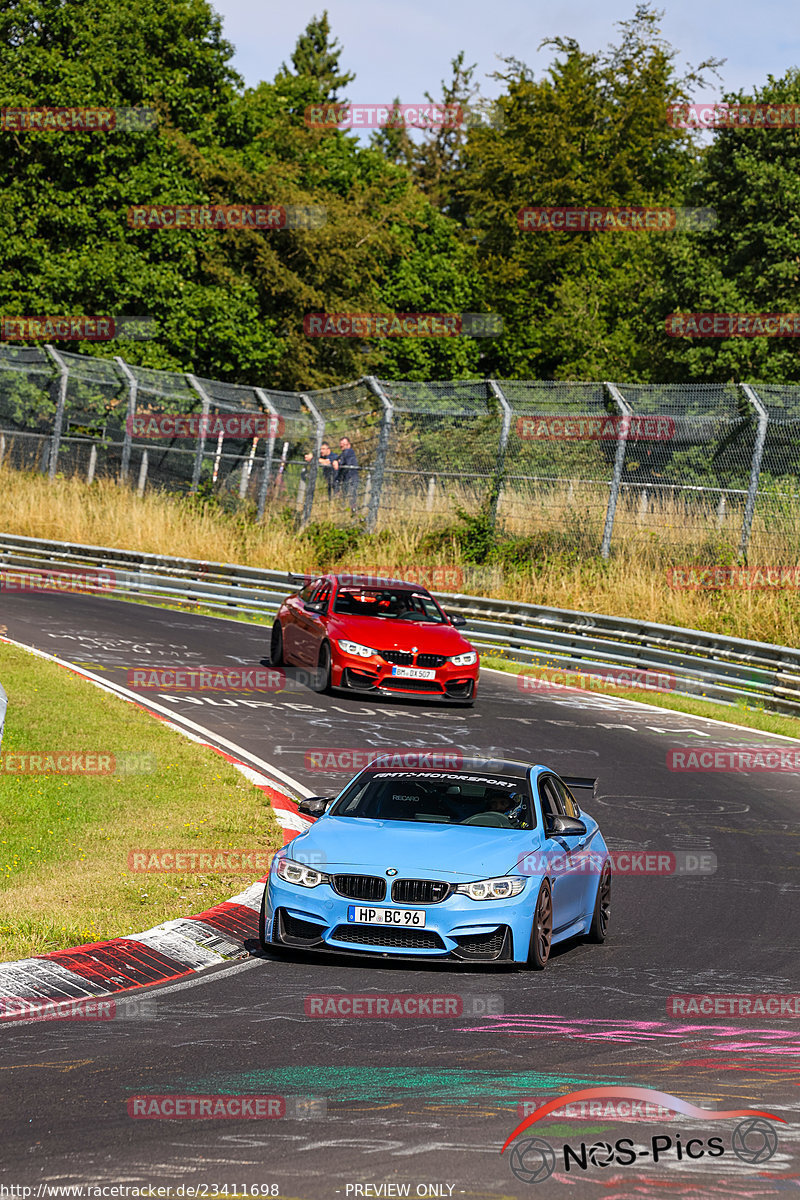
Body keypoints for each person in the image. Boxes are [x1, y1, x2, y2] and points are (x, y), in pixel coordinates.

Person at [334, 435, 359, 512]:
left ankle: (353, 512)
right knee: (345, 497)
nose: (342, 445)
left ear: (349, 445)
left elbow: (341, 462)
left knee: (351, 497)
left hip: (351, 478)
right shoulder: (343, 454)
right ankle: (346, 512)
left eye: (344, 444)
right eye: (341, 444)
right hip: (346, 479)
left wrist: (337, 462)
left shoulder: (349, 451)